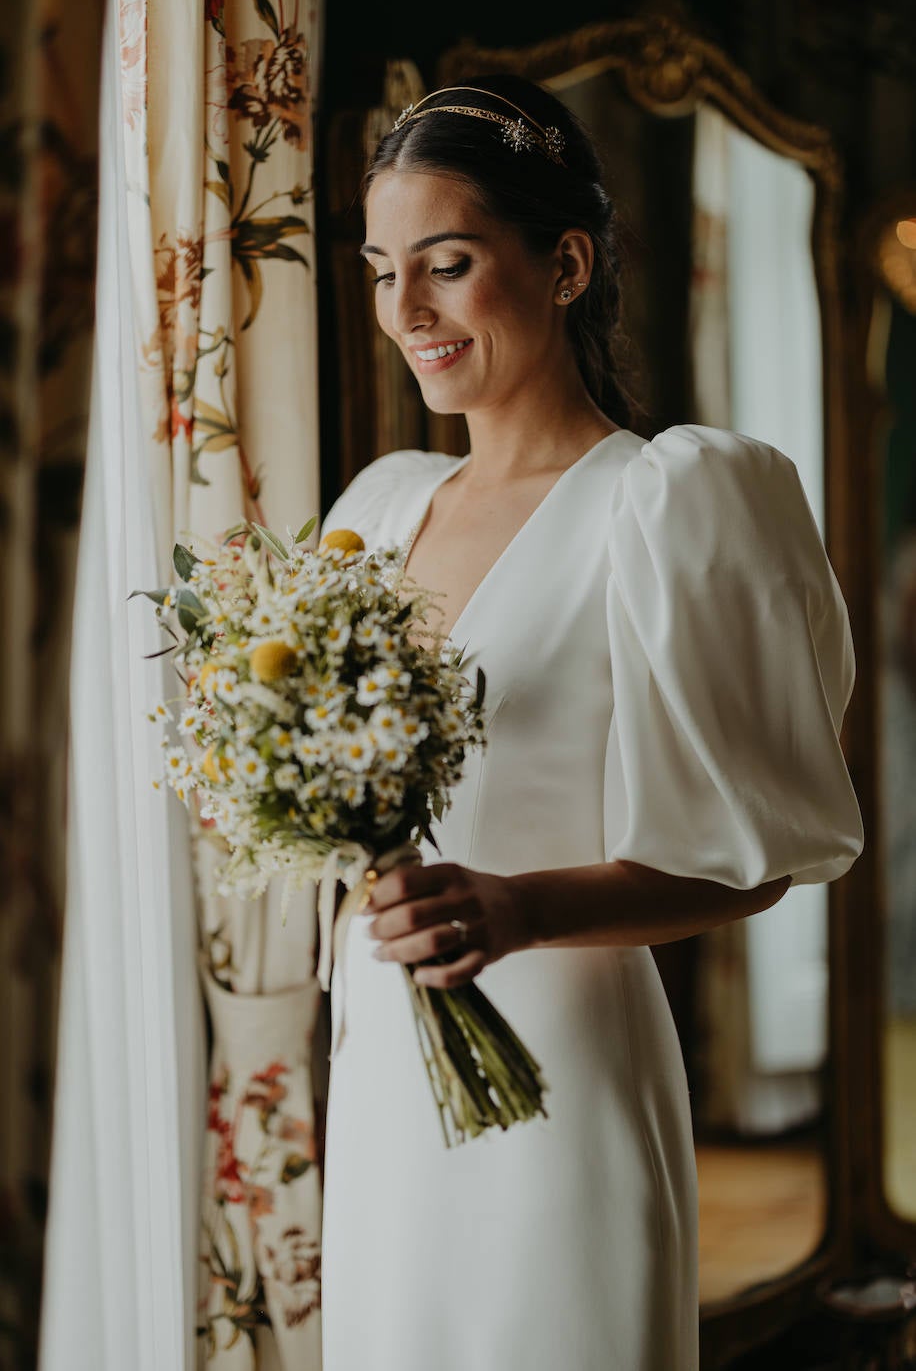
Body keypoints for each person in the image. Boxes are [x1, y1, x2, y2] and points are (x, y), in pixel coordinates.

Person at [317, 75, 864, 1371]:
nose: (406, 311)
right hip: (388, 1076)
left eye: (447, 264)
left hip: (558, 1074)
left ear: (564, 263)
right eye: (384, 269)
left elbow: (752, 861)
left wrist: (521, 908)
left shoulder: (672, 504)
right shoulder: (379, 508)